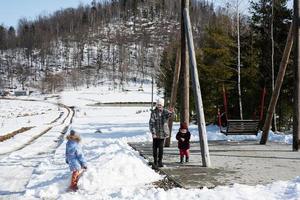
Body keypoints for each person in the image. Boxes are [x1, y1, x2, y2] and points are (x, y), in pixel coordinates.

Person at [149, 98, 173, 168]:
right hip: (156, 133)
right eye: (158, 104)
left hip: (162, 133)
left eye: (160, 105)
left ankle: (160, 161)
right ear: (156, 105)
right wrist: (153, 133)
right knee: (155, 148)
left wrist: (171, 112)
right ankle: (155, 161)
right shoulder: (153, 113)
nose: (159, 106)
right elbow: (151, 123)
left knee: (161, 148)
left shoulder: (165, 112)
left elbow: (169, 115)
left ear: (162, 105)